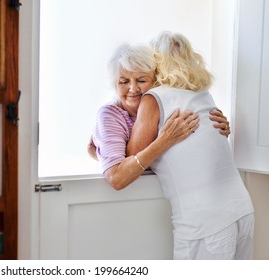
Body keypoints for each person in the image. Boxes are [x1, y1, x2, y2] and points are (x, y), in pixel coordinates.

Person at [126, 31, 254, 260]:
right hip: (242, 210)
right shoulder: (203, 95)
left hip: (206, 223)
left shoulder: (153, 98)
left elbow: (131, 156)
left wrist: (98, 148)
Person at [89, 44, 230, 191]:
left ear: (155, 81)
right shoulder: (110, 114)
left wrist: (216, 128)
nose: (133, 89)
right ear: (114, 84)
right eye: (124, 82)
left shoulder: (162, 104)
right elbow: (116, 179)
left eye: (141, 80)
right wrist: (164, 141)